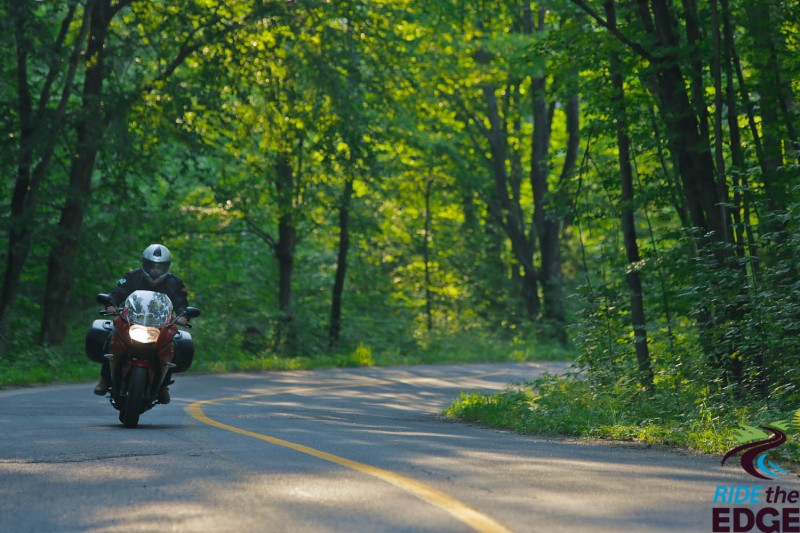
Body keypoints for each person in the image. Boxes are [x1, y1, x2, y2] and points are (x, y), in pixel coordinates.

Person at [93, 244, 190, 404]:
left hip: (160, 326)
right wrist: (111, 304)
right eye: (152, 265)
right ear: (145, 263)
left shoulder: (175, 283)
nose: (155, 270)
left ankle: (163, 385)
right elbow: (117, 293)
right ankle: (105, 379)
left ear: (167, 266)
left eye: (160, 266)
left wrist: (184, 315)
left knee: (175, 346)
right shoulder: (132, 277)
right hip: (132, 322)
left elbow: (182, 304)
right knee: (111, 336)